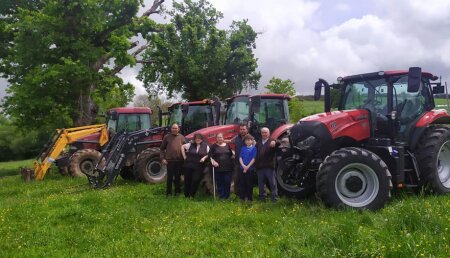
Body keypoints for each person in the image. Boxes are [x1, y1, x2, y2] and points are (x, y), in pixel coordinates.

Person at [160, 123, 185, 197]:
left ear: (178, 129)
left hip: (179, 161)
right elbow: (161, 149)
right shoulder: (167, 137)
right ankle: (169, 193)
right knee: (170, 177)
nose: (174, 129)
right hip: (170, 161)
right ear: (171, 129)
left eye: (176, 128)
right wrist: (163, 158)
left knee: (178, 177)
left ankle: (177, 192)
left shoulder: (182, 137)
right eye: (173, 128)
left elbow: (186, 147)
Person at [181, 133, 209, 198]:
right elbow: (182, 147)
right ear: (194, 139)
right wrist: (184, 156)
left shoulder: (206, 146)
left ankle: (192, 194)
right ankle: (186, 195)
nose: (198, 139)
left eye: (199, 138)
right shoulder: (190, 144)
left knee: (196, 180)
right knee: (187, 180)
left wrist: (204, 158)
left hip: (199, 167)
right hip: (188, 165)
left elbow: (209, 153)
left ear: (202, 139)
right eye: (196, 138)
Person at [227, 123, 251, 198]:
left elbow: (255, 148)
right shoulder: (237, 137)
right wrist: (220, 141)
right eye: (241, 129)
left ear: (247, 130)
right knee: (237, 179)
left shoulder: (250, 138)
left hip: (247, 163)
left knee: (247, 180)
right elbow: (230, 141)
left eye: (244, 129)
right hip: (238, 163)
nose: (242, 131)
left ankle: (248, 196)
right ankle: (239, 195)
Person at [255, 127, 278, 202]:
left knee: (272, 184)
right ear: (261, 134)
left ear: (269, 133)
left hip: (269, 167)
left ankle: (274, 199)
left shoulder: (272, 141)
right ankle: (262, 198)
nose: (264, 134)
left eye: (266, 132)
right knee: (261, 185)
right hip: (260, 167)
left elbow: (281, 142)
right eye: (263, 132)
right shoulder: (258, 142)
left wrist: (275, 141)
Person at [209, 133, 234, 200]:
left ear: (223, 138)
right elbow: (210, 156)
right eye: (218, 137)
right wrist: (214, 162)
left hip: (228, 167)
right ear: (216, 139)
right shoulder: (213, 146)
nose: (220, 139)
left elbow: (231, 154)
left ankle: (227, 196)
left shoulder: (227, 145)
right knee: (220, 182)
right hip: (218, 168)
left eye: (221, 137)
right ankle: (222, 196)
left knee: (227, 181)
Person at [238, 134, 257, 202]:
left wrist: (247, 167)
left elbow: (254, 159)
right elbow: (240, 158)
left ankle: (249, 198)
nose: (248, 142)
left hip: (250, 169)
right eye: (246, 140)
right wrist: (243, 166)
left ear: (252, 141)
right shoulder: (243, 148)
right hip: (242, 168)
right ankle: (242, 197)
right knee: (242, 183)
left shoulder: (254, 148)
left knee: (249, 184)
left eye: (249, 140)